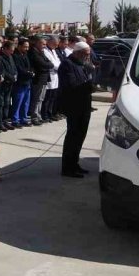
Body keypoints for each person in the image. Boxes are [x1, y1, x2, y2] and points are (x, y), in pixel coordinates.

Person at [59, 42, 95, 177]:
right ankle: (68, 168)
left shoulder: (82, 64)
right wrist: (89, 85)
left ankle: (75, 163)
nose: (88, 57)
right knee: (72, 137)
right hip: (73, 106)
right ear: (77, 52)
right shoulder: (67, 64)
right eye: (86, 54)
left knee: (81, 136)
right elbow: (72, 85)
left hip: (84, 105)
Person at [29, 36, 53, 126]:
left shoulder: (41, 52)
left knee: (41, 99)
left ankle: (38, 116)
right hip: (38, 79)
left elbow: (50, 63)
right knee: (36, 98)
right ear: (38, 43)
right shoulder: (33, 53)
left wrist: (47, 65)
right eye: (43, 44)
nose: (44, 46)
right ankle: (34, 116)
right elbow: (42, 64)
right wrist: (47, 65)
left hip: (44, 78)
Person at [12, 39, 34, 127]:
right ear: (19, 46)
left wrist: (31, 72)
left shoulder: (25, 55)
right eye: (25, 47)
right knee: (18, 102)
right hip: (20, 82)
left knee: (25, 102)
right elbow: (19, 68)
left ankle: (23, 118)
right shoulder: (15, 56)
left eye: (28, 47)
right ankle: (15, 119)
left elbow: (30, 66)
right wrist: (28, 73)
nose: (27, 49)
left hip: (27, 81)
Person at [42, 35, 63, 122]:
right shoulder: (45, 51)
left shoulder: (53, 50)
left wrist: (60, 67)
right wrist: (59, 67)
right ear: (49, 42)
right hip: (50, 75)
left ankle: (50, 113)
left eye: (57, 44)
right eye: (55, 44)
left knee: (53, 96)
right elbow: (51, 63)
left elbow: (58, 61)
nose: (56, 46)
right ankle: (45, 114)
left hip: (56, 75)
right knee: (47, 97)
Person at [0, 41, 18, 131]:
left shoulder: (10, 57)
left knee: (7, 103)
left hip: (10, 84)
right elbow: (3, 71)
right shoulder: (1, 57)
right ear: (5, 49)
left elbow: (14, 68)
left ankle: (5, 121)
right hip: (3, 84)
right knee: (1, 104)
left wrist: (15, 75)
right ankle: (0, 122)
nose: (12, 52)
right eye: (11, 50)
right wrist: (11, 77)